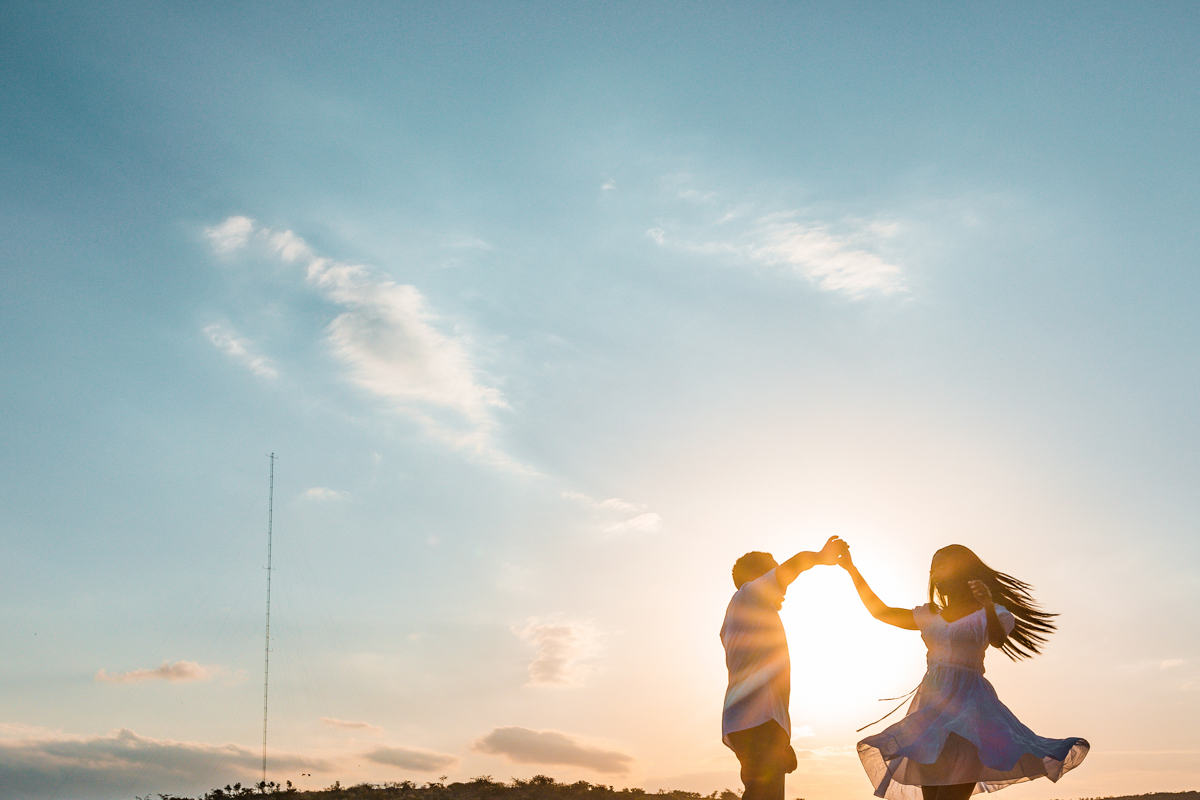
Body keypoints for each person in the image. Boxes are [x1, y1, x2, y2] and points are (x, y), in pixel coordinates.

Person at [837, 543, 1089, 800]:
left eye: (942, 566)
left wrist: (988, 604)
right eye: (932, 569)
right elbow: (881, 612)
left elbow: (999, 640)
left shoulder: (988, 613)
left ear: (961, 570)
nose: (935, 574)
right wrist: (851, 568)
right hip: (930, 716)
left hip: (971, 713)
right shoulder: (929, 615)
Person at [720, 536, 848, 800]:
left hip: (757, 721)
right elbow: (797, 563)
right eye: (773, 571)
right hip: (758, 721)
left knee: (764, 793)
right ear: (758, 578)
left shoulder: (749, 611)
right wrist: (821, 556)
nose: (784, 587)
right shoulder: (748, 596)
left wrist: (783, 737)